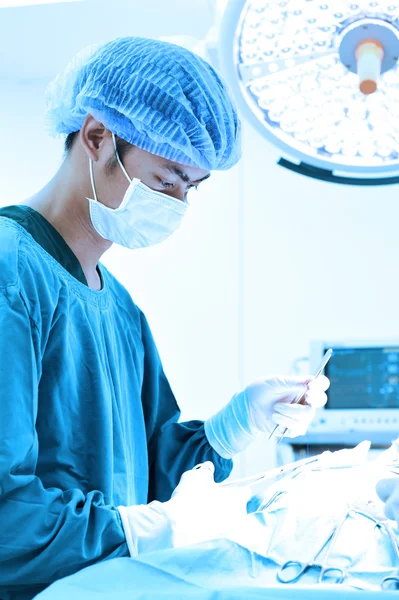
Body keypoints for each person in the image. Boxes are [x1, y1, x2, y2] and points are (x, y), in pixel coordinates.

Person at [0, 37, 329, 599]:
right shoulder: (11, 275)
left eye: (191, 187)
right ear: (97, 137)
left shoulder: (119, 308)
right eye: (166, 178)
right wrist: (135, 530)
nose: (178, 203)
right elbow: (8, 517)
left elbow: (155, 472)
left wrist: (233, 428)